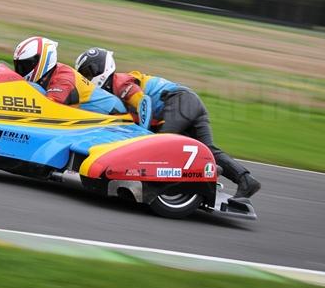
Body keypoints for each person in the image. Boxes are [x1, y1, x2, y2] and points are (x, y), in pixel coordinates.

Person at [74, 47, 261, 199]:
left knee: (162, 144)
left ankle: (208, 172)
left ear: (102, 69)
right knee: (208, 149)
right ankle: (246, 181)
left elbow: (144, 103)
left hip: (179, 101)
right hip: (188, 102)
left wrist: (144, 137)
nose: (87, 78)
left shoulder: (120, 82)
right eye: (83, 74)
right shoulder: (111, 91)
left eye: (89, 72)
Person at [12, 37, 124, 114]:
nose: (20, 70)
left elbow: (49, 108)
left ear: (42, 61)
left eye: (24, 65)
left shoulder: (63, 78)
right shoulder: (48, 73)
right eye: (18, 65)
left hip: (112, 111)